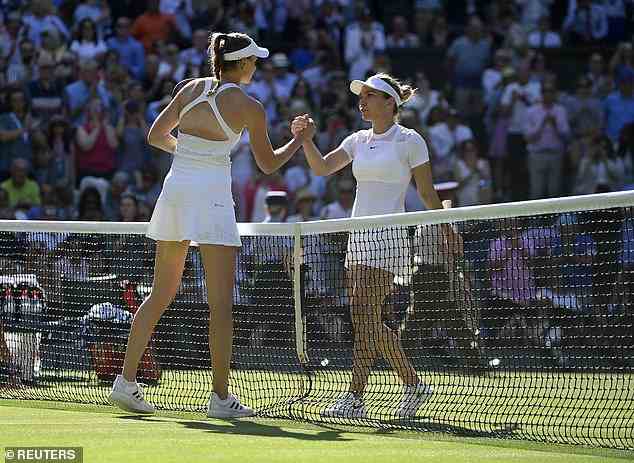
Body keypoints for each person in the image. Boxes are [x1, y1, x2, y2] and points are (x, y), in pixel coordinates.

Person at [108, 32, 310, 418]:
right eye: (254, 61)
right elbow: (269, 164)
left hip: (176, 189)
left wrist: (189, 152)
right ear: (244, 63)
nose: (256, 66)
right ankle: (220, 399)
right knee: (221, 304)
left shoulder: (188, 88)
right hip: (211, 195)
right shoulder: (250, 106)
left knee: (160, 293)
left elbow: (156, 136)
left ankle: (126, 382)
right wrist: (300, 139)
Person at [291, 73, 458, 419]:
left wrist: (446, 228)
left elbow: (427, 194)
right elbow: (322, 168)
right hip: (358, 235)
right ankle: (411, 383)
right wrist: (306, 140)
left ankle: (355, 395)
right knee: (363, 316)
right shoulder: (356, 140)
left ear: (389, 102)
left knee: (364, 314)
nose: (362, 102)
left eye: (370, 96)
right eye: (361, 96)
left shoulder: (410, 140)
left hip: (389, 236)